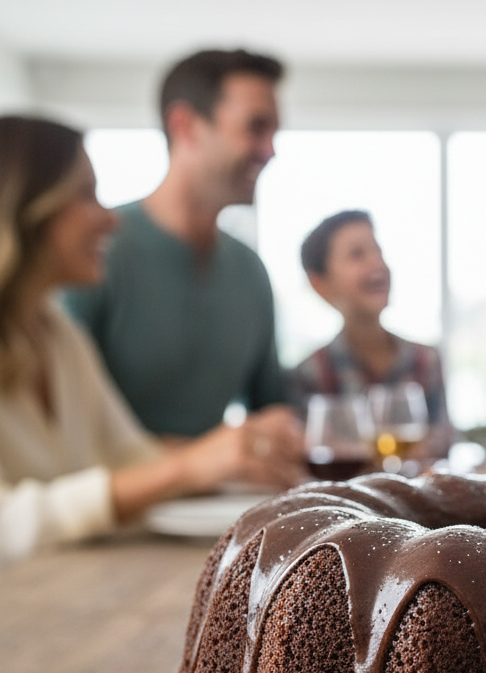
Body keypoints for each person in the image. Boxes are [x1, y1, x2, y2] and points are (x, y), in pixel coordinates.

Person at [0, 116, 304, 567]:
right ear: (26, 208)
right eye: (85, 195)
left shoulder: (58, 336)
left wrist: (234, 455)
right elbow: (9, 524)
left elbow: (129, 456)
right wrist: (189, 465)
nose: (110, 220)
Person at [64, 49, 287, 437]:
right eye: (256, 128)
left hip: (220, 497)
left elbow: (273, 412)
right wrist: (197, 464)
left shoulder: (250, 270)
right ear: (185, 126)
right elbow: (65, 429)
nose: (270, 150)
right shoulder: (94, 252)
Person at [288, 210, 452, 449]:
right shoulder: (309, 374)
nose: (377, 263)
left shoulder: (426, 361)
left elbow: (444, 443)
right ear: (320, 284)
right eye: (357, 255)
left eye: (378, 250)